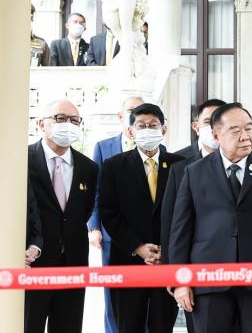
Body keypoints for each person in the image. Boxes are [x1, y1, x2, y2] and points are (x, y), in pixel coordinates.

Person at [169, 103, 252, 333]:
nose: (245, 136)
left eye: (249, 128)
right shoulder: (195, 172)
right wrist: (180, 280)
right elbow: (181, 230)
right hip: (209, 278)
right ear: (216, 134)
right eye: (235, 130)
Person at [99, 103, 185, 333]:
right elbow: (109, 213)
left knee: (162, 325)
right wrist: (137, 247)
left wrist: (167, 249)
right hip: (128, 260)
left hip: (166, 260)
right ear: (131, 131)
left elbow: (184, 214)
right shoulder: (114, 166)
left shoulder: (180, 165)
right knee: (129, 324)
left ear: (163, 129)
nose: (148, 130)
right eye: (141, 125)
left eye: (153, 125)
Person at [25, 100, 98, 333]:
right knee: (29, 325)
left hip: (73, 263)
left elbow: (83, 211)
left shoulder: (89, 167)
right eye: (60, 118)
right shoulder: (22, 160)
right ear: (41, 124)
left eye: (74, 120)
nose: (68, 125)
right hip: (33, 262)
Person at [160, 99, 226, 333]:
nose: (214, 127)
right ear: (196, 126)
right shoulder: (179, 164)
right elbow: (171, 224)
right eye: (209, 121)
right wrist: (175, 276)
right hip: (197, 271)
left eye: (219, 121)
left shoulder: (247, 159)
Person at [88, 95, 144, 333]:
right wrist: (94, 226)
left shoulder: (156, 147)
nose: (135, 114)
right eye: (131, 110)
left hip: (144, 236)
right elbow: (95, 191)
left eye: (140, 110)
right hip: (112, 235)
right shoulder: (104, 147)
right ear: (121, 117)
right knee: (112, 294)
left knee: (142, 294)